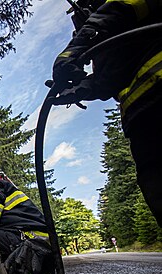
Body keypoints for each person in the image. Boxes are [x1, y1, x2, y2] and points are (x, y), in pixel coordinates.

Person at [51, 0, 162, 226]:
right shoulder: (111, 25)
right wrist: (85, 87)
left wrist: (78, 44)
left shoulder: (111, 14)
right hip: (141, 120)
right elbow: (115, 74)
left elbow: (122, 7)